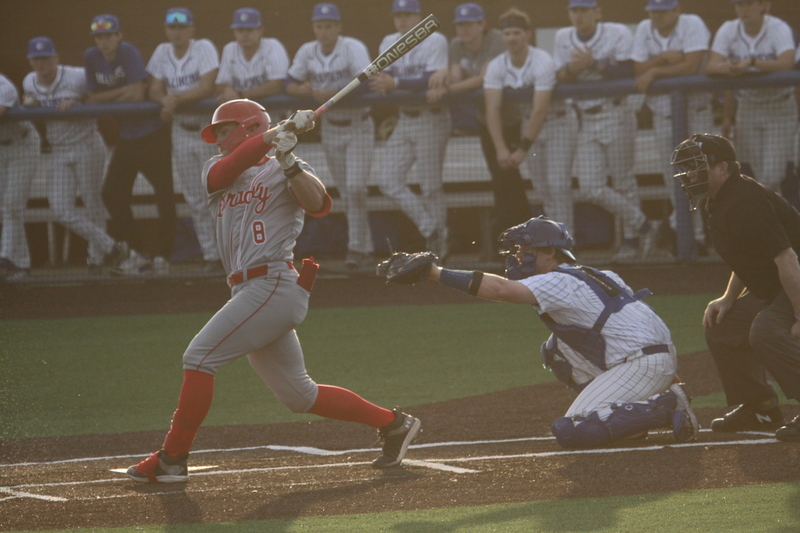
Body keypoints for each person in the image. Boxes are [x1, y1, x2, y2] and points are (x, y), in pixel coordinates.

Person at [126, 101, 422, 483]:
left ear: (247, 127)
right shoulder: (216, 171)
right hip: (247, 290)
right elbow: (231, 166)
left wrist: (287, 159)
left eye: (222, 131)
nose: (216, 140)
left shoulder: (281, 167)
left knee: (198, 358)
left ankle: (173, 458)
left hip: (274, 285)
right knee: (300, 396)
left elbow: (318, 205)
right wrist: (271, 136)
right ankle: (394, 424)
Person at [387, 216, 698, 448]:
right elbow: (640, 326)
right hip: (649, 357)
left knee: (571, 430)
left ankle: (663, 407)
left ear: (550, 252)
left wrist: (434, 273)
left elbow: (500, 290)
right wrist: (667, 374)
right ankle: (635, 411)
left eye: (526, 250)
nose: (518, 256)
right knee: (556, 350)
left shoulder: (556, 280)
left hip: (639, 363)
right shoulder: (600, 273)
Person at [672, 133, 799, 442]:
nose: (689, 175)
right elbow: (747, 256)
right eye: (687, 168)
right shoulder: (717, 200)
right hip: (781, 284)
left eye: (696, 167)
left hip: (795, 279)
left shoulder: (746, 201)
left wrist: (799, 316)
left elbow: (787, 258)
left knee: (766, 331)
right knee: (723, 323)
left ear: (722, 168)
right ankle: (760, 406)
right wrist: (729, 298)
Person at [554, 0, 657, 262]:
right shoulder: (563, 37)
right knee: (590, 186)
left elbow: (628, 71)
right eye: (574, 10)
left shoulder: (617, 32)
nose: (579, 15)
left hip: (616, 112)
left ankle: (632, 240)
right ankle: (644, 224)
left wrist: (595, 64)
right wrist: (570, 69)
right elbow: (559, 76)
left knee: (624, 181)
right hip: (585, 118)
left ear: (597, 12)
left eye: (584, 10)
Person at [22, 37, 127, 275]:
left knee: (92, 203)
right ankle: (111, 247)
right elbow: (31, 99)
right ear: (30, 61)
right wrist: (31, 103)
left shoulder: (78, 75)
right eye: (36, 59)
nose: (42, 64)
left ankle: (95, 259)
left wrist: (81, 100)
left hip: (86, 143)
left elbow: (102, 93)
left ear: (55, 58)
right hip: (58, 149)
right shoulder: (29, 81)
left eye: (46, 58)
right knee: (60, 209)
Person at [84, 13, 176, 275]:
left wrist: (106, 99)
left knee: (164, 195)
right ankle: (139, 253)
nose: (103, 41)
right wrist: (119, 96)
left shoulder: (128, 52)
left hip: (153, 134)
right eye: (99, 36)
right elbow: (91, 97)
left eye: (108, 35)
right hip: (128, 136)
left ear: (118, 35)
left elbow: (137, 94)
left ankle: (163, 256)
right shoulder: (91, 57)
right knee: (111, 194)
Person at [286, 3, 375, 270]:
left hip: (358, 124)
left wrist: (333, 91)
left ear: (338, 27)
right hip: (331, 128)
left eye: (328, 26)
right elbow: (287, 83)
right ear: (314, 27)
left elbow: (367, 80)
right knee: (347, 191)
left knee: (356, 187)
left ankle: (359, 248)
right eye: (319, 26)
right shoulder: (307, 51)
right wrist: (303, 91)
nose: (323, 31)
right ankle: (361, 248)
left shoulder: (352, 47)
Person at [484, 7, 578, 244]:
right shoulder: (496, 65)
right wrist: (501, 148)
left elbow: (541, 109)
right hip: (531, 127)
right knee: (542, 188)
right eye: (507, 34)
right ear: (502, 36)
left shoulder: (542, 60)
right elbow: (492, 109)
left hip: (558, 123)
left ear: (527, 34)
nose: (512, 38)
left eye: (517, 33)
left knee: (557, 185)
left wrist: (522, 148)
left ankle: (567, 244)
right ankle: (556, 242)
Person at [371, 0, 451, 259]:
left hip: (431, 117)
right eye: (398, 15)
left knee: (430, 186)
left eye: (408, 14)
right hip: (405, 118)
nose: (403, 20)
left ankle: (440, 244)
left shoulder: (435, 39)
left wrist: (396, 83)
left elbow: (430, 79)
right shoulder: (388, 41)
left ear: (418, 16)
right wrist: (392, 84)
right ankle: (431, 229)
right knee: (387, 180)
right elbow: (384, 80)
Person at [632, 0, 712, 255]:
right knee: (674, 182)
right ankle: (689, 238)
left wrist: (655, 71)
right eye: (653, 11)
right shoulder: (645, 27)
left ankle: (696, 236)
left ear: (676, 10)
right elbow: (637, 68)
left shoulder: (692, 23)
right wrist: (663, 60)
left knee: (700, 178)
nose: (656, 16)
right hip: (663, 116)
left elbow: (691, 66)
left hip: (695, 114)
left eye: (662, 11)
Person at [147, 7, 221, 273]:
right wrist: (164, 99)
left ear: (191, 29)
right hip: (180, 130)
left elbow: (207, 86)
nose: (176, 33)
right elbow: (154, 88)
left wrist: (174, 99)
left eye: (181, 28)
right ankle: (212, 256)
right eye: (172, 28)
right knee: (194, 197)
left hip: (206, 129)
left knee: (218, 192)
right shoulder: (161, 51)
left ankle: (230, 251)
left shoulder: (203, 47)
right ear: (166, 30)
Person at [705, 0, 796, 194]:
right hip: (748, 107)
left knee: (772, 175)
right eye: (739, 4)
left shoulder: (777, 27)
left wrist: (752, 62)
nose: (743, 9)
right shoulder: (729, 29)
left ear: (764, 6)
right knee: (756, 175)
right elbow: (711, 65)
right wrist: (725, 67)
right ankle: (771, 221)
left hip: (779, 107)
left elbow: (787, 63)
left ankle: (768, 222)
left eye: (748, 4)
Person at [426, 2, 504, 135]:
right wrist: (445, 71)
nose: (464, 29)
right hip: (484, 113)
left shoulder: (496, 38)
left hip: (508, 108)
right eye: (460, 25)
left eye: (469, 24)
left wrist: (447, 89)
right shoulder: (456, 44)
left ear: (482, 25)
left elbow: (483, 78)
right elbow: (456, 76)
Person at [0, 72, 39, 281]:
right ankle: (21, 265)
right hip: (1, 148)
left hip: (22, 143)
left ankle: (5, 259)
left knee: (12, 205)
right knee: (7, 208)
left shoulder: (3, 85)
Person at [215, 7, 289, 105]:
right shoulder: (230, 49)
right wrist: (226, 90)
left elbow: (277, 85)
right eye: (240, 30)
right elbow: (220, 84)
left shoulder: (272, 46)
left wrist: (241, 95)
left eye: (249, 30)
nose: (245, 35)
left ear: (260, 31)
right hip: (243, 111)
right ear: (234, 32)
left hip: (273, 111)